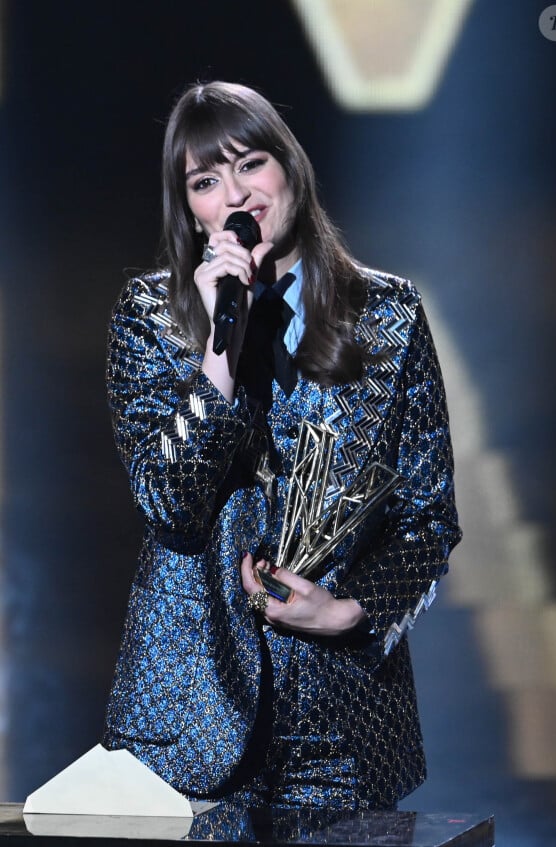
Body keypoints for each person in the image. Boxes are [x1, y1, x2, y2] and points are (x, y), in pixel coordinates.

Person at [102, 81, 461, 810]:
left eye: (250, 164)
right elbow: (170, 505)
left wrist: (349, 608)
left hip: (345, 725)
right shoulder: (149, 316)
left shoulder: (389, 315)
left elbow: (428, 516)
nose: (236, 193)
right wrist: (218, 354)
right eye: (206, 180)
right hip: (189, 720)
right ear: (191, 208)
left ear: (290, 168)